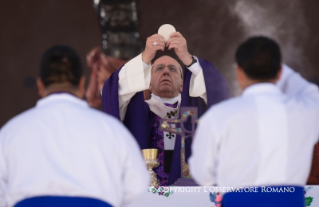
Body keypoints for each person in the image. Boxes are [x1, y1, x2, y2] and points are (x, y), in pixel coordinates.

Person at [0, 46, 149, 207]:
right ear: (81, 84)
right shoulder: (111, 130)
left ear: (40, 85)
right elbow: (137, 188)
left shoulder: (11, 132)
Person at [189, 37, 319, 206]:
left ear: (239, 73)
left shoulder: (218, 116)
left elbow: (202, 174)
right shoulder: (306, 111)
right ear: (280, 72)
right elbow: (311, 92)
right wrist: (272, 64)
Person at [102, 31, 230, 186]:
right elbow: (112, 92)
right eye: (159, 68)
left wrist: (188, 60)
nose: (166, 71)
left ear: (182, 84)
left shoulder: (196, 109)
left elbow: (219, 91)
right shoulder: (132, 110)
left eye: (173, 69)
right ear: (148, 83)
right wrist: (145, 58)